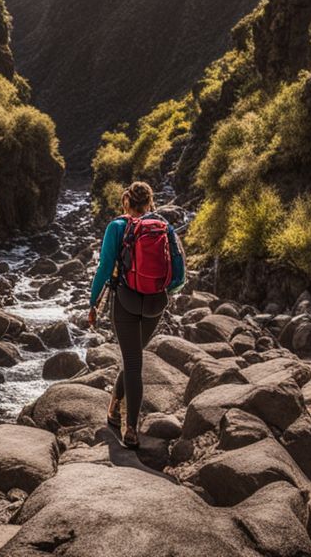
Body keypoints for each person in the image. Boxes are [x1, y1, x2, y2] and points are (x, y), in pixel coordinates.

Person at [87, 181, 185, 448]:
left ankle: (130, 430)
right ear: (150, 203)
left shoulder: (117, 226)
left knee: (132, 363)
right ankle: (114, 404)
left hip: (126, 302)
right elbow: (179, 275)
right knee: (134, 357)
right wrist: (162, 289)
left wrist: (93, 302)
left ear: (127, 202)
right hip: (155, 304)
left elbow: (105, 267)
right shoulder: (165, 227)